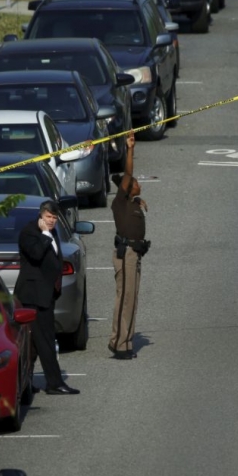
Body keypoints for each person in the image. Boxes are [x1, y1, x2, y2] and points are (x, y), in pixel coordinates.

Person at [14, 200, 80, 395]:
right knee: (46, 340)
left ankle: (24, 382)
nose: (51, 221)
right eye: (48, 217)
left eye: (54, 218)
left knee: (34, 343)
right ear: (41, 216)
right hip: (33, 296)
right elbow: (35, 255)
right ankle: (54, 383)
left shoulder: (52, 231)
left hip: (46, 294)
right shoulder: (30, 233)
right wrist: (44, 235)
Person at [108, 132, 149, 360]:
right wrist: (130, 149)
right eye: (135, 183)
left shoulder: (131, 202)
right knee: (125, 297)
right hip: (126, 255)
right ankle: (119, 344)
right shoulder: (120, 200)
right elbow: (129, 173)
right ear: (127, 187)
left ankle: (125, 341)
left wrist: (137, 201)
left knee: (131, 298)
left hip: (136, 254)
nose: (138, 182)